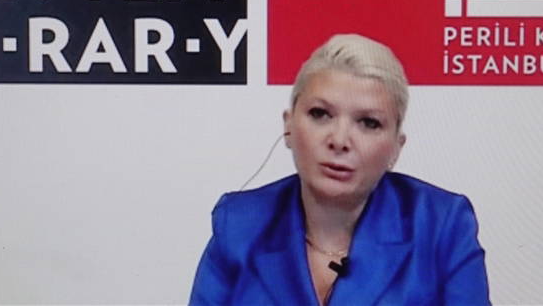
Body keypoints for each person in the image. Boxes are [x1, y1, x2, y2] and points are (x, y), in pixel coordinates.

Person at [189, 34, 489, 305]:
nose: (340, 140)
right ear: (289, 125)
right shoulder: (238, 224)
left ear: (396, 148)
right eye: (320, 114)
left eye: (369, 122)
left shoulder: (442, 227)